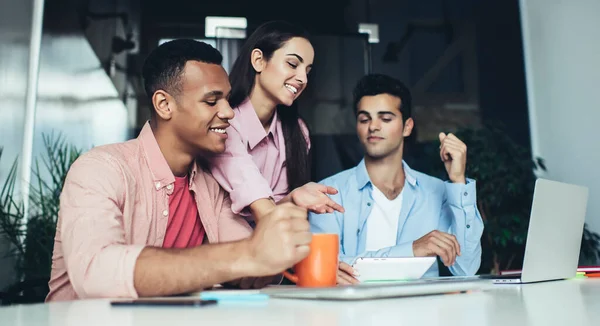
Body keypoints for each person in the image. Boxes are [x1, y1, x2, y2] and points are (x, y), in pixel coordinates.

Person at [46, 39, 312, 301]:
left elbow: (253, 262)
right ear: (164, 105)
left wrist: (278, 242)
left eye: (228, 100)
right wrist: (245, 256)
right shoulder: (101, 169)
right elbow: (97, 272)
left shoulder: (212, 186)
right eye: (212, 101)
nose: (229, 112)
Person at [309, 74, 484, 284]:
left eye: (385, 118)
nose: (373, 126)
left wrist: (457, 181)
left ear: (407, 127)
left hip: (422, 313)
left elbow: (466, 268)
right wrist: (413, 250)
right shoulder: (328, 192)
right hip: (354, 314)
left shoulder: (435, 191)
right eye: (364, 119)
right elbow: (325, 269)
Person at [209, 20, 343, 221]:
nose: (303, 79)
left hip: (268, 242)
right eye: (292, 64)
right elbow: (260, 203)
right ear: (258, 60)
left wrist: (293, 199)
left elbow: (273, 212)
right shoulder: (225, 125)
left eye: (307, 71)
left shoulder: (297, 131)